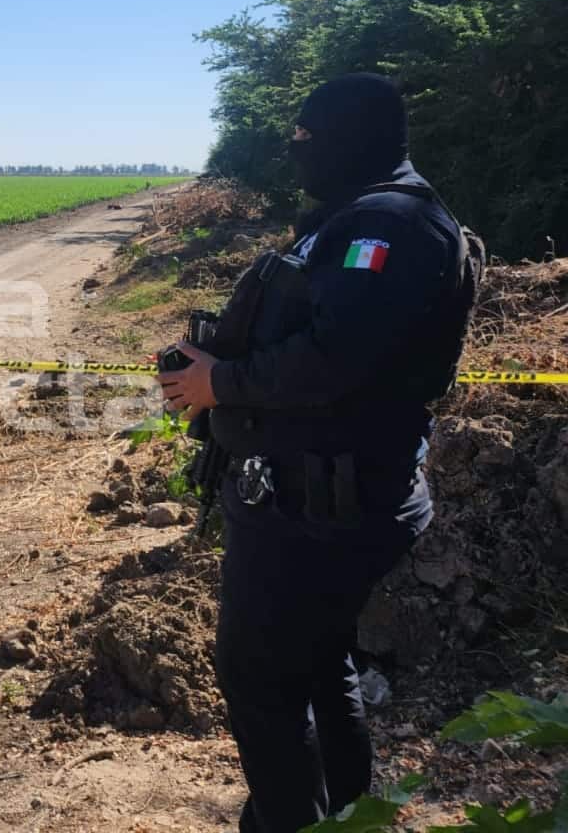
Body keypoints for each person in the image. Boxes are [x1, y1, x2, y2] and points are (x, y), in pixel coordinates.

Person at [157, 73, 472, 832]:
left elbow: (337, 359)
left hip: (324, 506)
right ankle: (344, 819)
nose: (296, 150)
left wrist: (221, 384)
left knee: (260, 678)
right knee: (319, 662)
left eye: (305, 137)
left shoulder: (389, 225)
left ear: (349, 136)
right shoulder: (356, 214)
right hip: (316, 495)